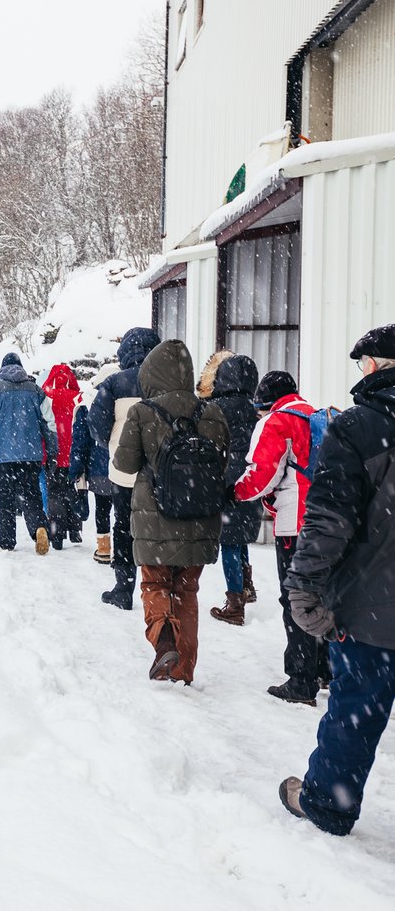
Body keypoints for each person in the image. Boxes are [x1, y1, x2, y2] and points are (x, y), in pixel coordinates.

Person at [278, 325, 395, 836]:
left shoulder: (358, 426)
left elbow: (328, 519)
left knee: (356, 709)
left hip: (371, 603)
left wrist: (303, 584)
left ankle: (327, 801)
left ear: (379, 365)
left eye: (364, 362)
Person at [112, 340, 229, 684]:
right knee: (187, 591)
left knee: (155, 584)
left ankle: (164, 641)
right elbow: (222, 461)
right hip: (202, 517)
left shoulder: (142, 411)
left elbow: (124, 463)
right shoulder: (213, 412)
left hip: (156, 518)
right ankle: (183, 670)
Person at [235, 369, 329, 704]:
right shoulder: (317, 416)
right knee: (322, 595)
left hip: (295, 524)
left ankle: (301, 680)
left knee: (295, 600)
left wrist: (234, 492)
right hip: (329, 524)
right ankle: (325, 669)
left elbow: (262, 476)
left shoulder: (276, 421)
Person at [91, 326, 162, 609]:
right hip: (160, 472)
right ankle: (158, 586)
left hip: (124, 471)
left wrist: (112, 444)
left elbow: (96, 424)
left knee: (123, 527)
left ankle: (124, 587)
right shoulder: (166, 382)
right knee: (158, 528)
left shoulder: (114, 382)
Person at [196, 350, 262, 625]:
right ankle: (246, 587)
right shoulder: (255, 408)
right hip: (250, 481)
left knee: (229, 543)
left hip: (224, 483)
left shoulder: (215, 409)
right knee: (240, 536)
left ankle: (235, 603)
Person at [0, 353, 58, 553]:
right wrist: (52, 453)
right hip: (30, 456)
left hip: (2, 458)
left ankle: (6, 542)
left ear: (2, 370)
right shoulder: (36, 391)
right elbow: (49, 424)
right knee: (32, 497)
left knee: (4, 501)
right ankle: (39, 527)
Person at [72, 363, 118, 565]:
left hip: (98, 468)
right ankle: (124, 549)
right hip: (124, 466)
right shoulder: (128, 401)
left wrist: (75, 468)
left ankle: (104, 548)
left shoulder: (88, 404)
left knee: (102, 509)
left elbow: (80, 441)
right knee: (123, 510)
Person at [42, 363, 83, 550]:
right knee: (72, 491)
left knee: (54, 494)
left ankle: (56, 535)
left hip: (53, 454)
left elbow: (43, 428)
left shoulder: (46, 398)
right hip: (74, 454)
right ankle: (75, 531)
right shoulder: (77, 398)